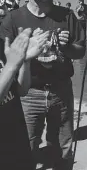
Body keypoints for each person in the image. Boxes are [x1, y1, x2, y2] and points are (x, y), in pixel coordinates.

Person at [0, 0, 86, 170]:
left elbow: (81, 51)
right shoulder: (13, 18)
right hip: (27, 93)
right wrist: (25, 53)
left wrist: (66, 47)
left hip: (61, 90)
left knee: (64, 147)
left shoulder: (66, 15)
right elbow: (6, 58)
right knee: (27, 146)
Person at [0, 27, 48, 170]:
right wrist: (11, 66)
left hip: (18, 141)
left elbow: (21, 89)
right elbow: (10, 68)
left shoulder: (2, 45)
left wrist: (25, 61)